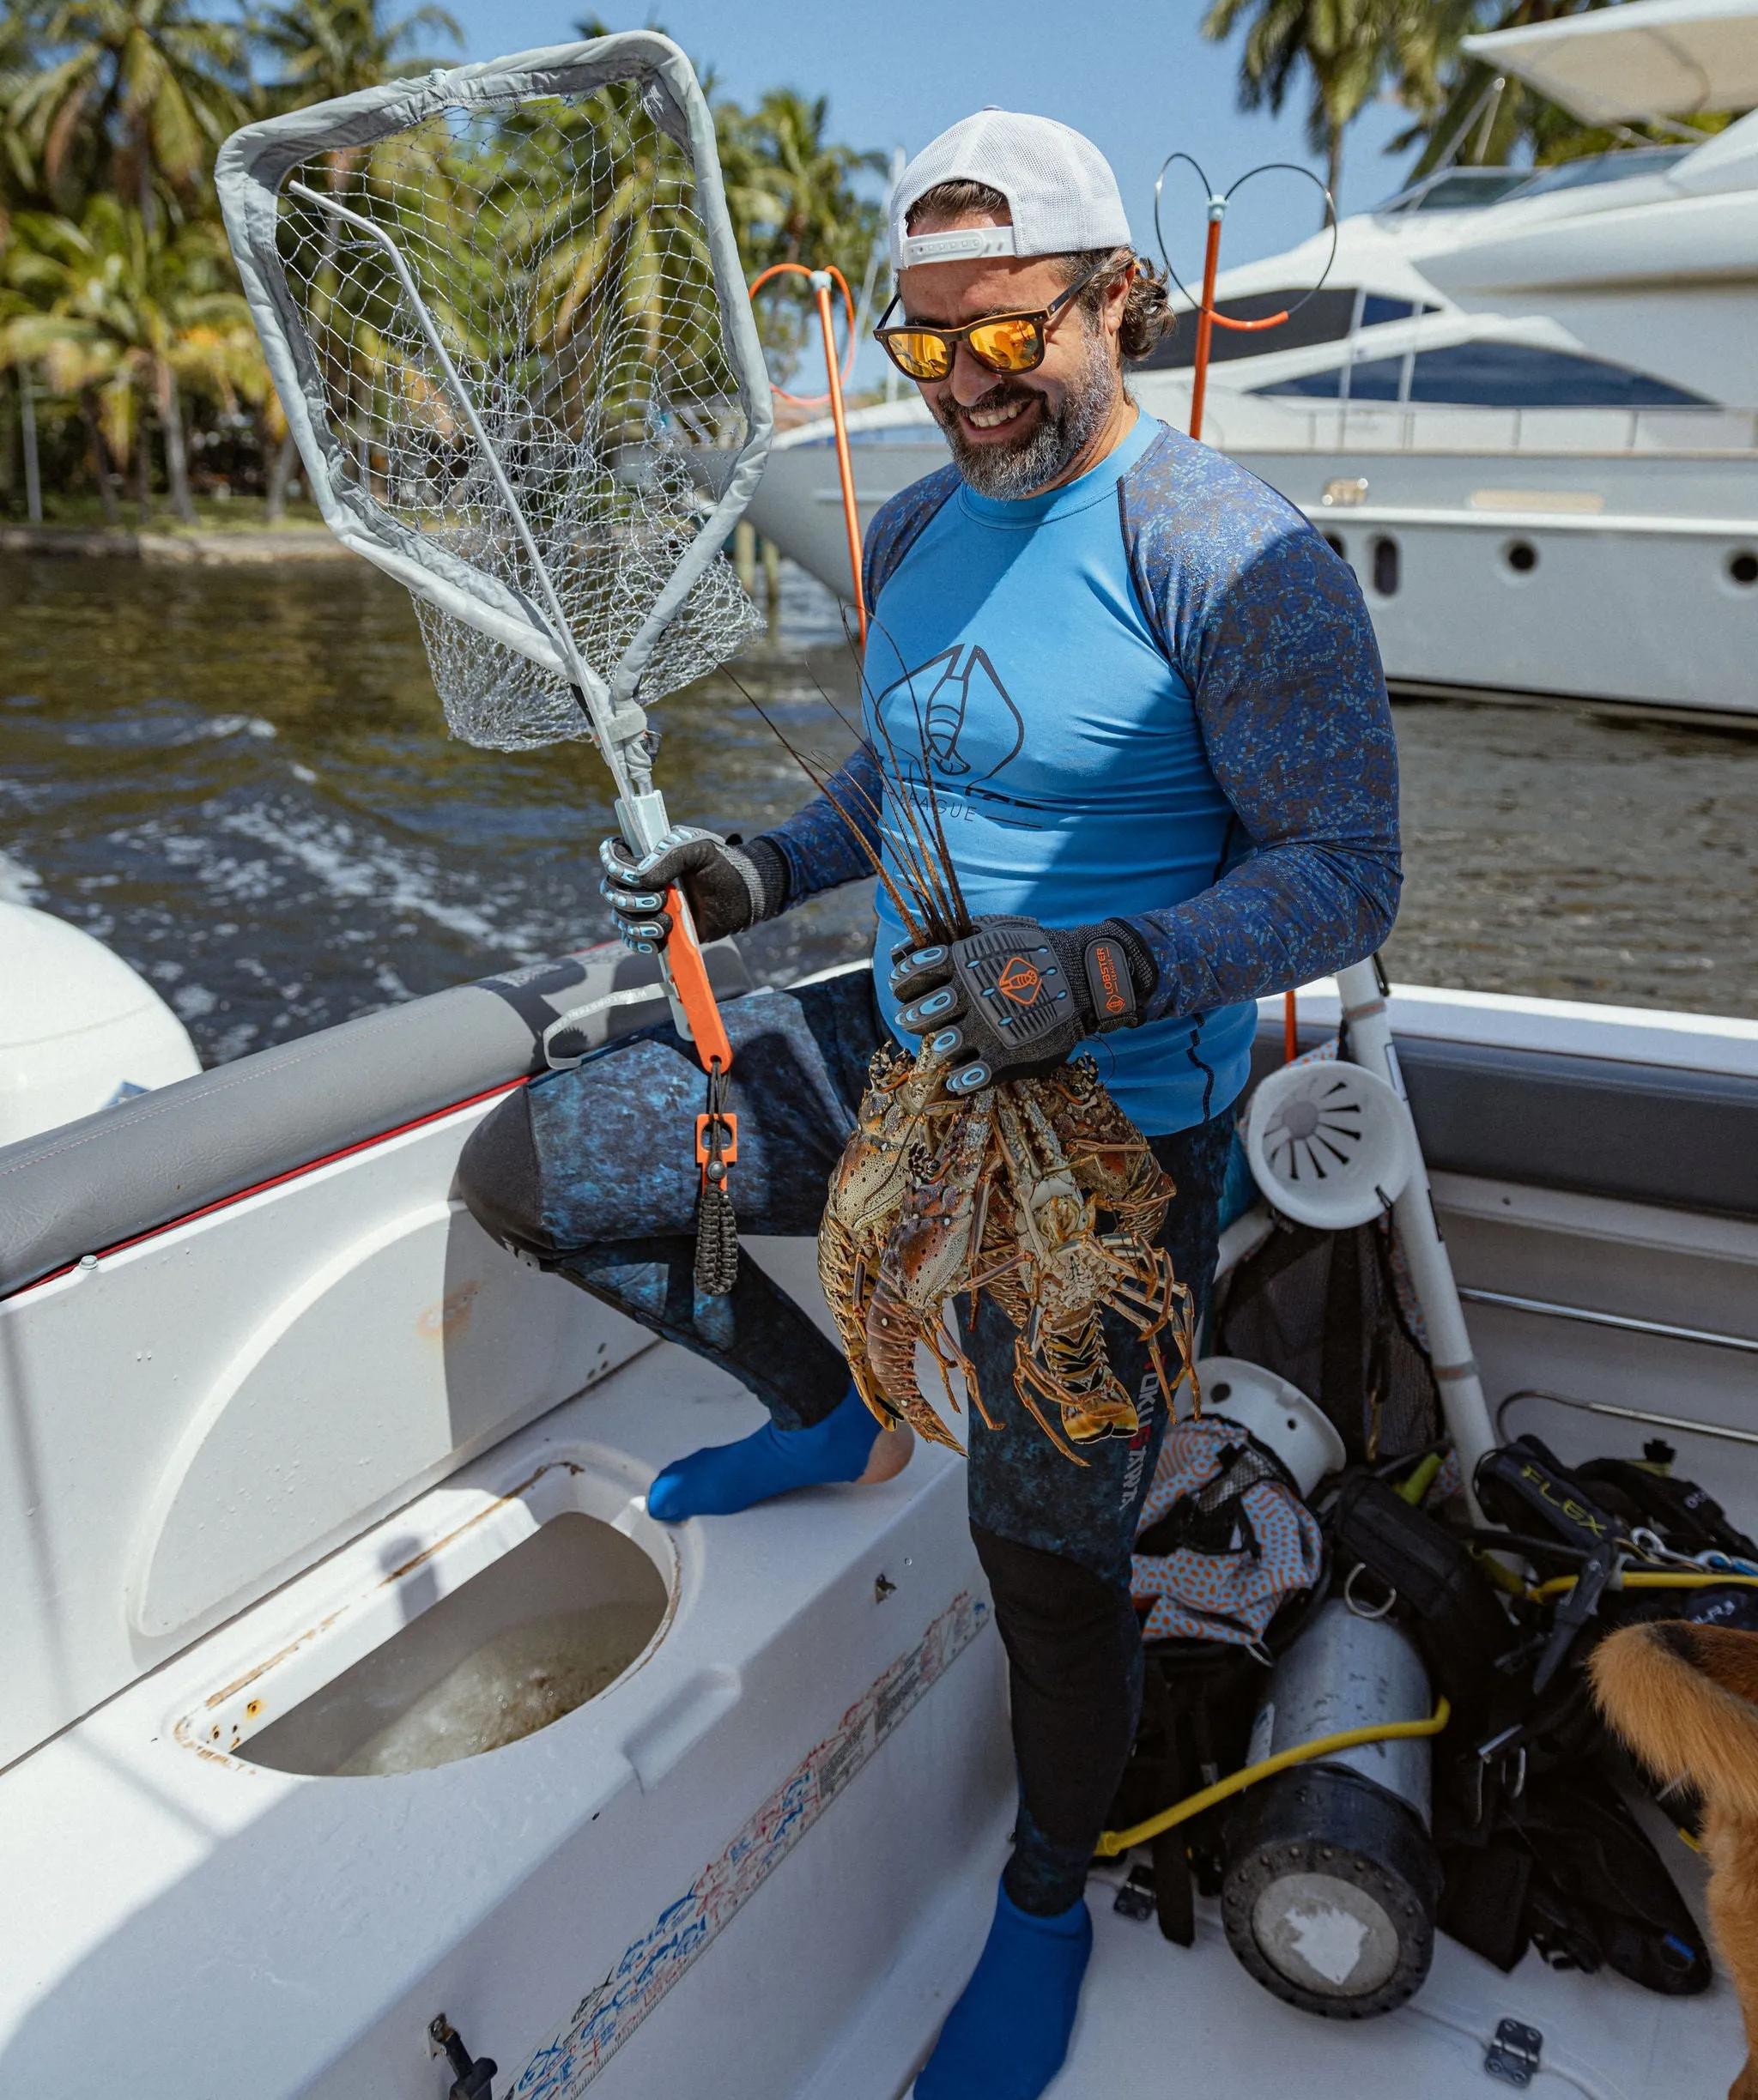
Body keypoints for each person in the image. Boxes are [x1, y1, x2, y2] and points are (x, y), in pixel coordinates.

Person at [463, 109, 1400, 2100]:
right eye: (925, 346)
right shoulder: (907, 531)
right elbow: (896, 789)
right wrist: (749, 873)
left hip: (1106, 1140)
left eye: (1009, 340)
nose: (967, 390)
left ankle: (1045, 1892)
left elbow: (1343, 870)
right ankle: (823, 1409)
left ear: (1116, 299)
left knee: (1046, 1558)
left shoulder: (1235, 554)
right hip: (892, 1067)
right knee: (538, 1165)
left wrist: (1100, 972)